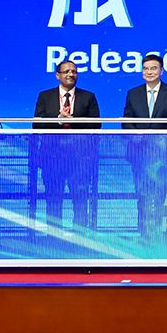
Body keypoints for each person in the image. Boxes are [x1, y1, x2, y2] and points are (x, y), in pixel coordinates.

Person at [122, 54, 167, 239]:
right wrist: (137, 136)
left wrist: (165, 140)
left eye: (153, 68)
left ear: (161, 71)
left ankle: (164, 236)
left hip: (163, 154)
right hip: (139, 154)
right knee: (142, 195)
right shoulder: (133, 93)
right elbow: (126, 121)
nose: (149, 72)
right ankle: (144, 235)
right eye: (146, 68)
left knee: (163, 196)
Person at [31, 60, 101, 230]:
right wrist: (58, 120)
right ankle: (53, 238)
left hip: (80, 159)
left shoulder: (88, 97)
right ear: (58, 75)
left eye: (74, 71)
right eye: (67, 71)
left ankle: (80, 239)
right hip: (52, 158)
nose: (71, 74)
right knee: (53, 200)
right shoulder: (45, 96)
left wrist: (74, 121)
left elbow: (96, 125)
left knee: (80, 199)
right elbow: (37, 124)